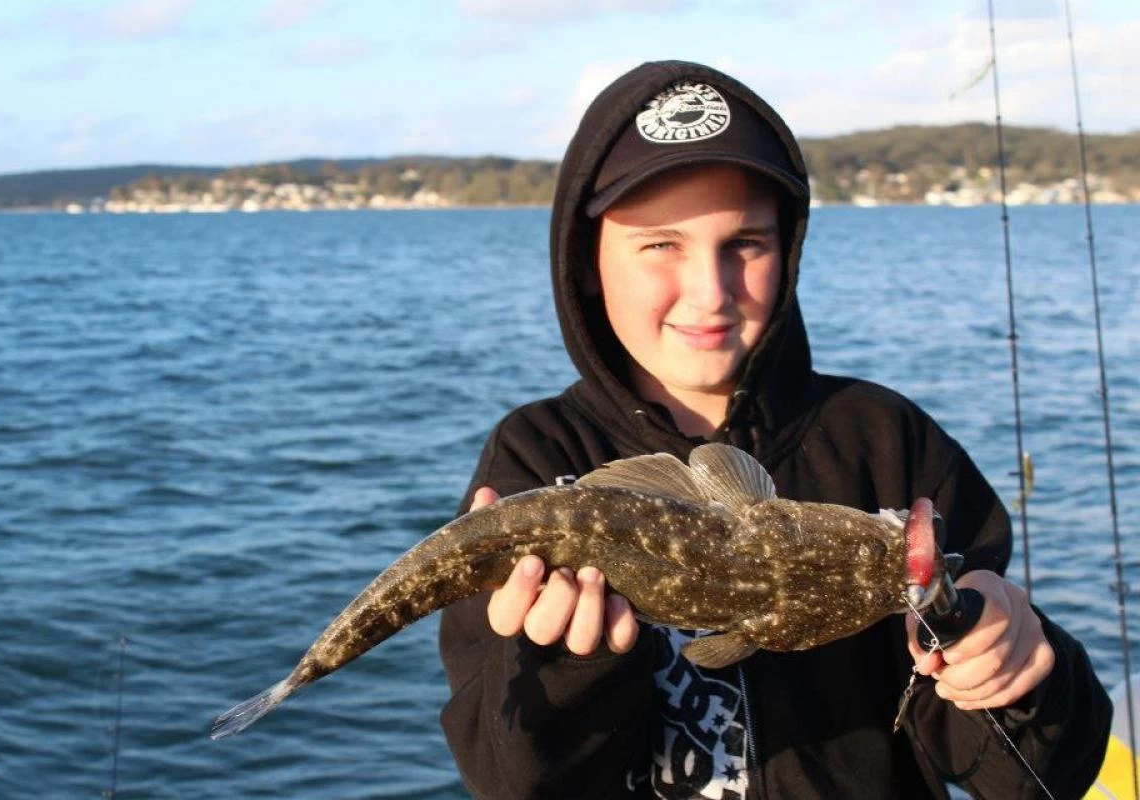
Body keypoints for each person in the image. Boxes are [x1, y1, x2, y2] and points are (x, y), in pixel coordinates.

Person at [438, 60, 1110, 799]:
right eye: (660, 245)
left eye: (746, 243)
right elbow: (512, 782)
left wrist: (1013, 667)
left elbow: (1037, 778)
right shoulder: (537, 455)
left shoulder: (885, 439)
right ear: (587, 261)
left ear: (788, 253)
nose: (710, 291)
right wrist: (564, 662)